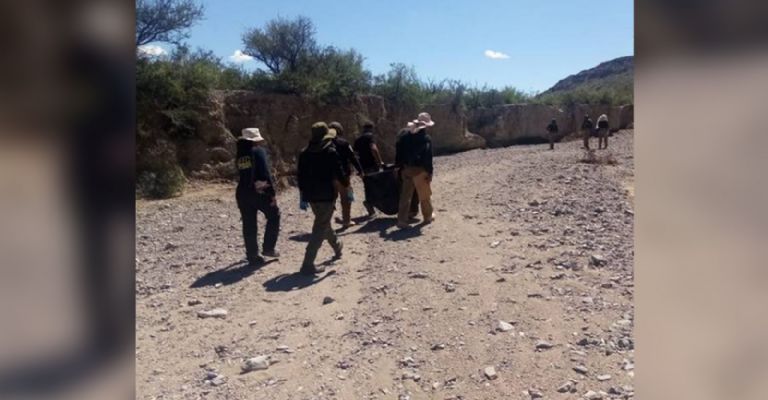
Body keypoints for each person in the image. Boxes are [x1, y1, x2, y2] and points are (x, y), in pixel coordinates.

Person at [297, 122, 347, 275]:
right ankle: (307, 264)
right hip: (327, 195)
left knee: (323, 222)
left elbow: (300, 177)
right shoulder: (330, 152)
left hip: (311, 196)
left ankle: (337, 246)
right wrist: (346, 185)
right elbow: (339, 173)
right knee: (319, 227)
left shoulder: (304, 153)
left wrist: (303, 195)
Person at [235, 128, 281, 266]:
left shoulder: (240, 154)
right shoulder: (258, 151)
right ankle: (268, 248)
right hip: (258, 191)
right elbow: (264, 174)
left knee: (249, 223)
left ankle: (252, 255)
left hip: (242, 192)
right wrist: (272, 194)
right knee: (274, 215)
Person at [395, 112, 435, 229]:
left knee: (405, 196)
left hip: (407, 169)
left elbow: (399, 152)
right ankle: (427, 217)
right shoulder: (426, 138)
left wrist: (399, 167)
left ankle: (402, 220)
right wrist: (430, 172)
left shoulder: (404, 136)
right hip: (420, 170)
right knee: (424, 195)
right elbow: (428, 156)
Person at [328, 121, 363, 228]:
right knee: (346, 199)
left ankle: (325, 224)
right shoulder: (344, 143)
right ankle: (346, 221)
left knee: (329, 200)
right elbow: (352, 158)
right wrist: (360, 171)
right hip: (343, 176)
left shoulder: (323, 144)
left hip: (328, 177)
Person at [353, 121, 385, 217]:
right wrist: (380, 162)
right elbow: (374, 149)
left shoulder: (357, 140)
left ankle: (370, 208)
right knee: (377, 185)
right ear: (371, 128)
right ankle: (379, 205)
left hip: (363, 168)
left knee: (367, 186)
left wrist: (358, 168)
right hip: (372, 166)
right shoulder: (370, 137)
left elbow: (355, 155)